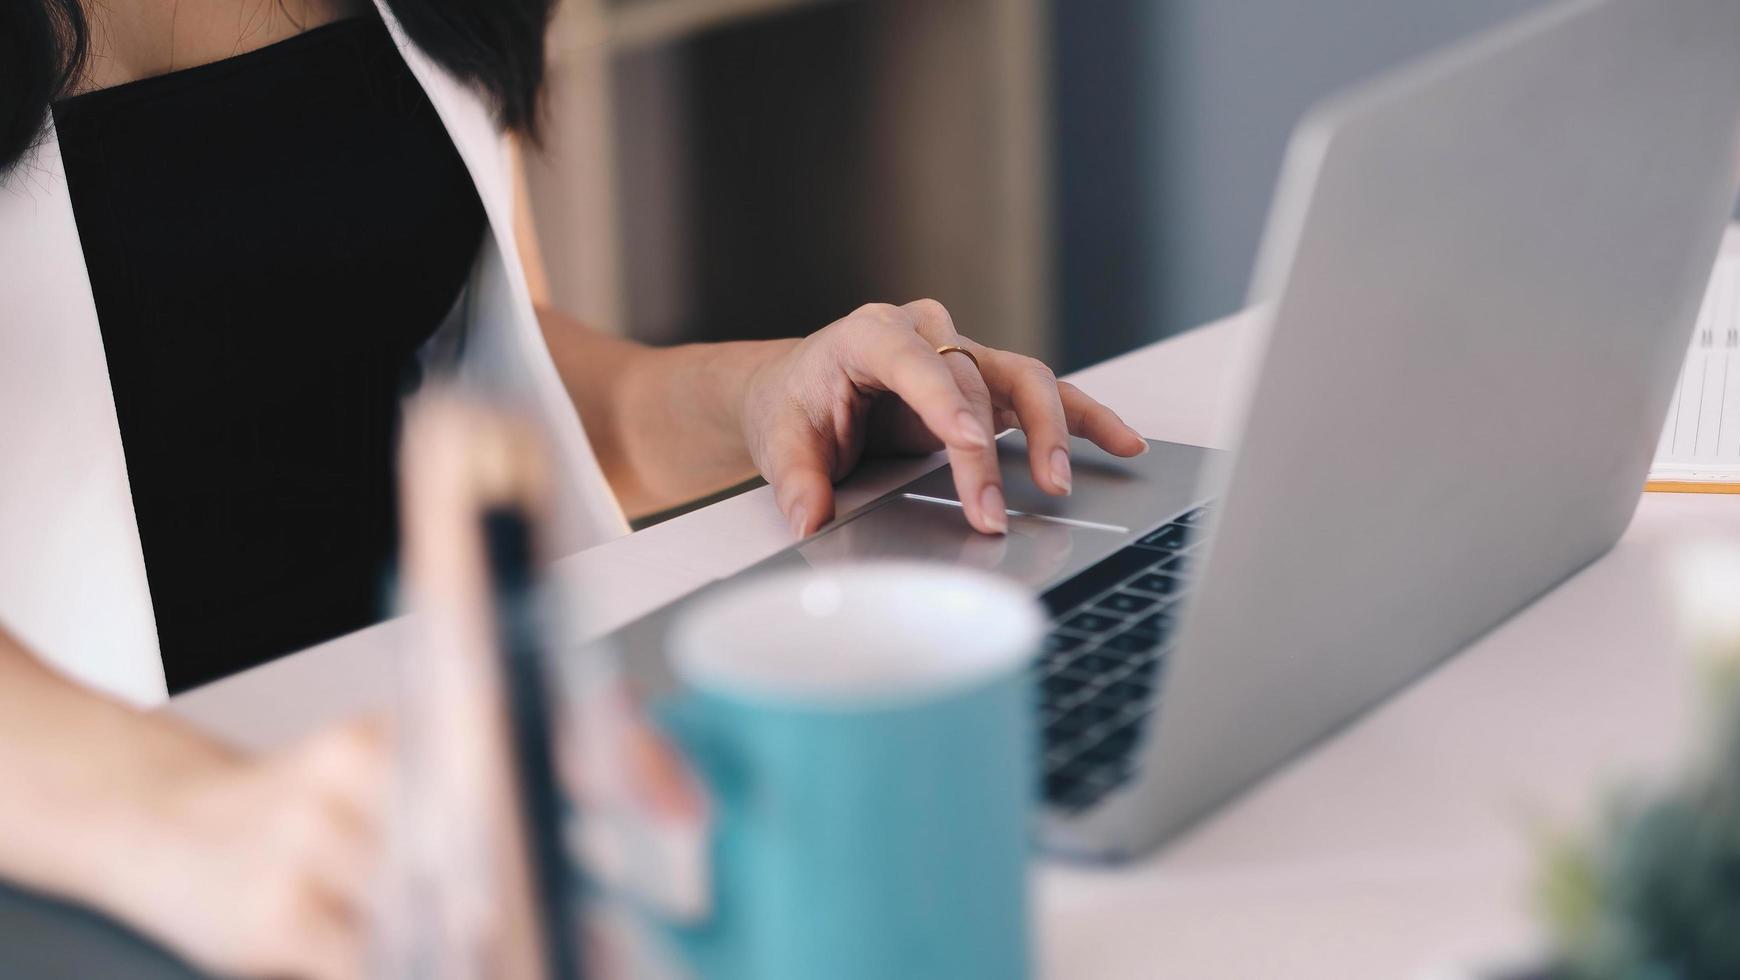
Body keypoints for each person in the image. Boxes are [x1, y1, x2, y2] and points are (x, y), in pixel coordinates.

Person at [0, 0, 1144, 975]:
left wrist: (773, 393)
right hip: (115, 860)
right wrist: (183, 818)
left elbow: (478, 370)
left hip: (458, 834)